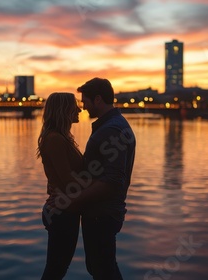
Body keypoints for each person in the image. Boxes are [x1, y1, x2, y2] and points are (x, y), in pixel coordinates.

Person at [72, 77, 136, 279]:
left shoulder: (111, 130)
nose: (83, 107)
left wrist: (75, 198)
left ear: (98, 99)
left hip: (102, 213)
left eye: (85, 101)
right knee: (100, 267)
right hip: (104, 212)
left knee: (103, 269)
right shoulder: (113, 125)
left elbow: (112, 181)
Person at [37, 92, 83, 280]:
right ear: (64, 110)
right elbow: (67, 179)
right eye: (75, 106)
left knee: (58, 268)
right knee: (56, 269)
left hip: (64, 208)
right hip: (61, 211)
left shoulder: (61, 138)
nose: (79, 109)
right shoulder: (55, 139)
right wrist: (99, 185)